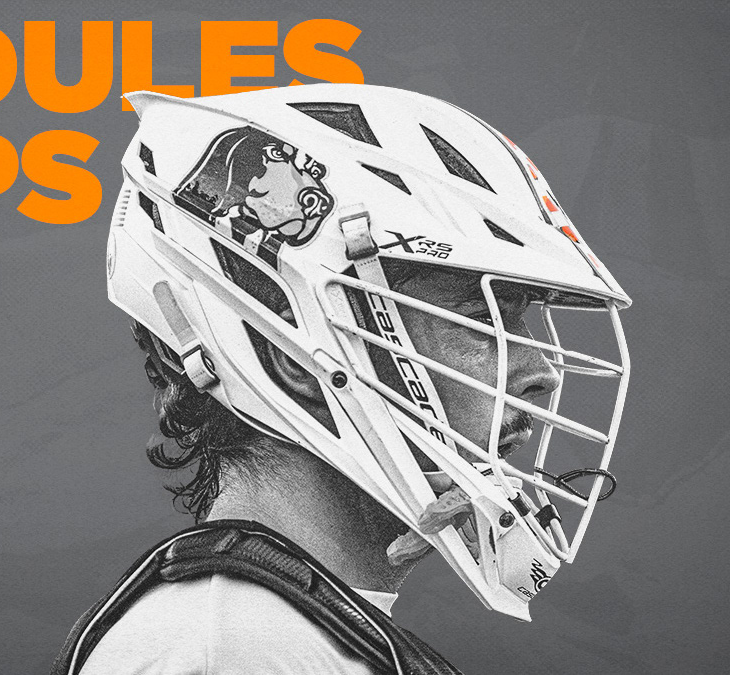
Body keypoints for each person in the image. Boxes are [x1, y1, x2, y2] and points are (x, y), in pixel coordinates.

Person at [54, 84, 631, 674]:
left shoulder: (278, 634)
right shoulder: (227, 653)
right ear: (296, 360)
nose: (542, 374)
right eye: (483, 319)